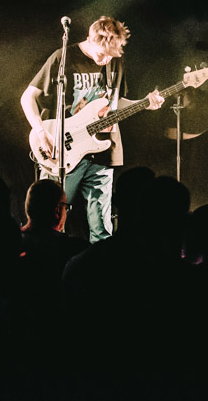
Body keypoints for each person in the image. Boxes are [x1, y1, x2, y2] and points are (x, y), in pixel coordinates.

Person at [20, 16, 164, 242]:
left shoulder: (115, 61)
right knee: (49, 221)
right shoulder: (63, 58)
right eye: (102, 54)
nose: (106, 60)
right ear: (90, 39)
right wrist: (41, 132)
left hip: (103, 150)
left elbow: (115, 103)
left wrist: (144, 103)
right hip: (66, 149)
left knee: (102, 228)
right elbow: (28, 97)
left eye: (111, 55)